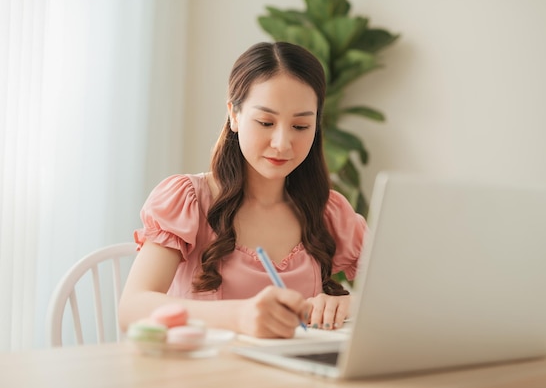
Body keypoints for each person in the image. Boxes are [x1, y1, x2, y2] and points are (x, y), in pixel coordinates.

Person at [118, 41, 367, 339]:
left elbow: (407, 294)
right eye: (265, 122)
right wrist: (240, 316)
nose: (282, 143)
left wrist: (348, 305)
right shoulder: (188, 199)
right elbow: (132, 309)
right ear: (234, 116)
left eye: (300, 126)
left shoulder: (329, 210)